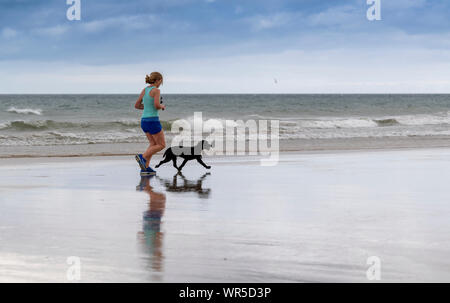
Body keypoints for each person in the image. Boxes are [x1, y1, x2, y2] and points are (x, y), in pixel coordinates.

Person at [134, 72, 166, 176]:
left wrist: (147, 107)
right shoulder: (156, 90)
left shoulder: (145, 90)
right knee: (161, 145)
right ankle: (142, 157)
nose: (161, 83)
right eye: (161, 81)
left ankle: (145, 168)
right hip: (153, 121)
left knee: (153, 144)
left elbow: (137, 105)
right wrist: (162, 106)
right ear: (158, 80)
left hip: (144, 121)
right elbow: (156, 105)